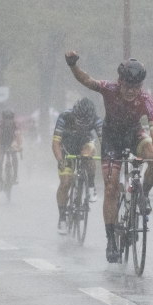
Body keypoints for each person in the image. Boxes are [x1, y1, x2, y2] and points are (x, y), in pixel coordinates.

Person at [64, 52, 153, 263]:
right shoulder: (109, 89)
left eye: (136, 87)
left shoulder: (148, 101)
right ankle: (111, 240)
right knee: (112, 187)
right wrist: (73, 66)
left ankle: (144, 194)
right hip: (112, 139)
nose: (131, 92)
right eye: (127, 86)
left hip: (134, 135)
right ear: (119, 82)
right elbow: (87, 80)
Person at [52, 97, 103, 233]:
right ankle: (62, 217)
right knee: (65, 182)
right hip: (67, 147)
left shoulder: (96, 120)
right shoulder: (64, 117)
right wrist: (60, 160)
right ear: (74, 114)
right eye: (80, 121)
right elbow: (56, 143)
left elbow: (104, 141)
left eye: (86, 122)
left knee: (88, 155)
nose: (83, 125)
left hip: (85, 144)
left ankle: (91, 185)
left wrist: (109, 156)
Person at [0, 110, 22, 191]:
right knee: (0, 161)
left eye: (10, 118)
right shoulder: (0, 125)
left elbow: (18, 135)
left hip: (11, 143)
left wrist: (18, 146)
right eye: (6, 118)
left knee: (14, 156)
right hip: (2, 143)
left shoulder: (15, 124)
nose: (8, 120)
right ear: (3, 118)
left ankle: (15, 176)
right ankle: (1, 180)